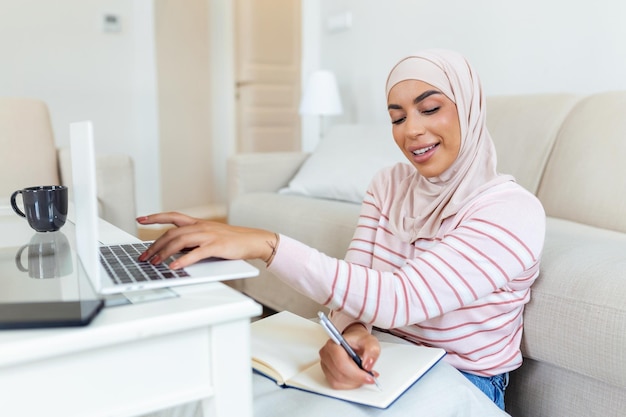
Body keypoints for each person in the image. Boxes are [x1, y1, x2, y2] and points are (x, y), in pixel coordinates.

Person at [137, 49, 545, 411]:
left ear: (469, 109)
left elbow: (400, 299)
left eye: (430, 108)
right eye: (397, 117)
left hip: (462, 380)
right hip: (384, 359)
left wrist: (267, 244)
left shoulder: (512, 211)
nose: (411, 130)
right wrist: (350, 333)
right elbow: (360, 274)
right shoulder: (389, 184)